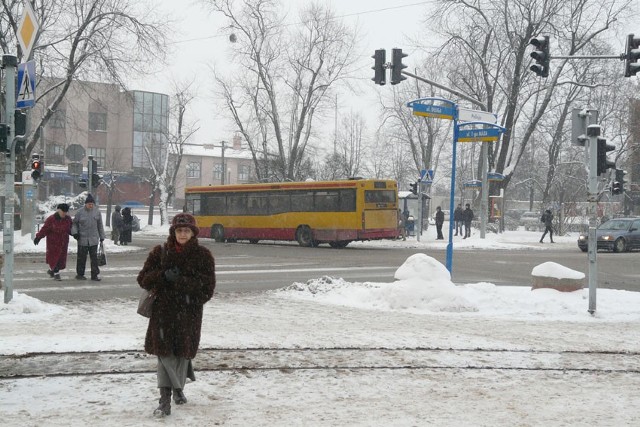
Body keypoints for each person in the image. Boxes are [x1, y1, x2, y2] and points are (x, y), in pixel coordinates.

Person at [137, 213, 216, 418]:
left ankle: (178, 388)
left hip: (188, 314)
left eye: (186, 230)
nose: (182, 234)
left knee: (182, 354)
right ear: (173, 232)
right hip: (162, 314)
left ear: (193, 233)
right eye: (179, 230)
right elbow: (143, 279)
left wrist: (180, 282)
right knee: (164, 356)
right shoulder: (159, 252)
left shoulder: (203, 255)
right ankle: (164, 400)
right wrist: (162, 276)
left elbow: (207, 289)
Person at [34, 203, 73, 281]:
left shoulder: (68, 219)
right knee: (54, 257)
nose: (64, 213)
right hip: (53, 242)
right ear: (58, 210)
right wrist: (38, 237)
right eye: (63, 212)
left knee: (61, 259)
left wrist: (75, 234)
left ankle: (52, 270)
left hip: (63, 242)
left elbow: (70, 229)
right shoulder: (51, 219)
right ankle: (56, 273)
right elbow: (44, 229)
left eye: (66, 212)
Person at [71, 194, 106, 281]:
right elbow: (74, 223)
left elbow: (100, 225)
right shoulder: (80, 212)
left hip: (93, 239)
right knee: (81, 258)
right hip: (82, 239)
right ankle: (80, 274)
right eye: (89, 204)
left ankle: (94, 275)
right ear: (86, 204)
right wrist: (75, 233)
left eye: (92, 204)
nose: (90, 205)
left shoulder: (97, 212)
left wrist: (102, 236)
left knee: (94, 259)